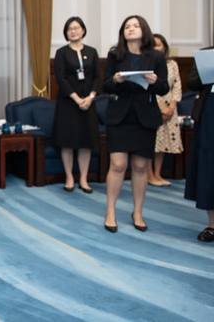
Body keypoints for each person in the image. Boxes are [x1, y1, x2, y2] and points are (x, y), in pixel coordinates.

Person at [102, 15, 168, 233]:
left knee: (140, 167)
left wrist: (154, 81)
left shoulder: (156, 57)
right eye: (127, 26)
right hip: (120, 116)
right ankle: (110, 211)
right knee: (118, 165)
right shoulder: (115, 55)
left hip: (145, 116)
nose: (131, 29)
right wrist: (116, 80)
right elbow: (106, 85)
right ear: (123, 32)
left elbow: (164, 88)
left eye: (135, 25)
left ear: (144, 30)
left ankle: (137, 212)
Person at [52, 16, 101, 193]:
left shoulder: (92, 52)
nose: (73, 31)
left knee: (85, 142)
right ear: (66, 33)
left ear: (83, 30)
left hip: (89, 102)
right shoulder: (61, 53)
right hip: (68, 103)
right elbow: (61, 78)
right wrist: (77, 98)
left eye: (76, 28)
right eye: (70, 29)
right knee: (68, 141)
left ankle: (83, 178)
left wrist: (90, 97)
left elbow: (97, 77)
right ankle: (69, 177)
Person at [184, 46, 214, 242]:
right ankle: (212, 225)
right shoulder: (207, 53)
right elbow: (192, 82)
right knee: (209, 165)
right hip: (210, 111)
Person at [150, 33, 182, 186]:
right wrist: (160, 108)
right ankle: (149, 175)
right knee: (151, 143)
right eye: (153, 44)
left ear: (164, 47)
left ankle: (158, 174)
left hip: (170, 106)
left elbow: (177, 86)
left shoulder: (172, 64)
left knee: (162, 145)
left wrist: (172, 106)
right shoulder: (148, 63)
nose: (156, 47)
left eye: (159, 44)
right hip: (153, 105)